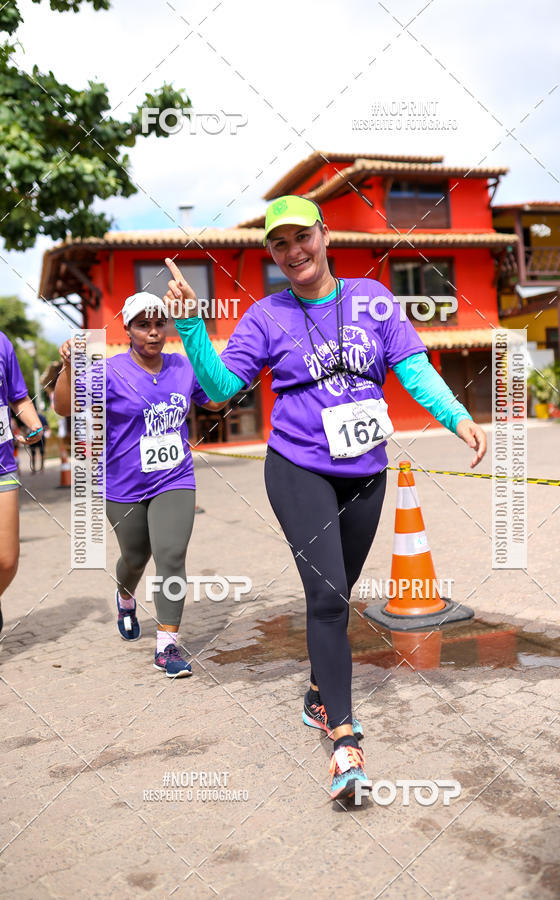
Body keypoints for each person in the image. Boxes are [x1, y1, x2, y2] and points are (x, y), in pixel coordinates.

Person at [163, 195, 487, 800]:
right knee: (331, 597)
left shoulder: (372, 300)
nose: (294, 252)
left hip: (365, 470)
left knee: (337, 591)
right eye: (279, 245)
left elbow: (413, 370)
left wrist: (458, 418)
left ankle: (318, 692)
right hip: (298, 468)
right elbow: (218, 390)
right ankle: (346, 742)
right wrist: (191, 329)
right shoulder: (265, 316)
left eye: (302, 237)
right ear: (272, 254)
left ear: (324, 233)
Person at [53, 292, 226, 676]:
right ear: (128, 329)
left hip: (174, 477)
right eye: (142, 325)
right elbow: (63, 408)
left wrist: (213, 359)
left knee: (171, 555)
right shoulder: (108, 371)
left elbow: (215, 400)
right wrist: (68, 367)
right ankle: (126, 596)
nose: (152, 332)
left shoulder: (182, 367)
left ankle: (167, 645)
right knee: (135, 557)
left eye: (158, 324)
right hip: (124, 484)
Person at [0, 330, 43, 634]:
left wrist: (34, 422)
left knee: (6, 561)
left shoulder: (3, 342)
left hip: (2, 465)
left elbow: (18, 396)